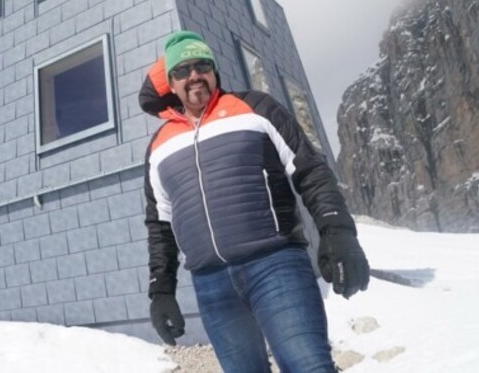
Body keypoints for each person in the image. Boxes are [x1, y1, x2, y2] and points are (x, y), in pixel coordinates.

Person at [139, 30, 370, 373]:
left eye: (202, 65)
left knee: (308, 367)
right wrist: (161, 290)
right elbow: (160, 225)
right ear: (169, 83)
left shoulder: (256, 108)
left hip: (275, 266)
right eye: (181, 70)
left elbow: (309, 170)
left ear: (215, 70)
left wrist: (337, 231)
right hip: (211, 283)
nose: (193, 76)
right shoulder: (159, 146)